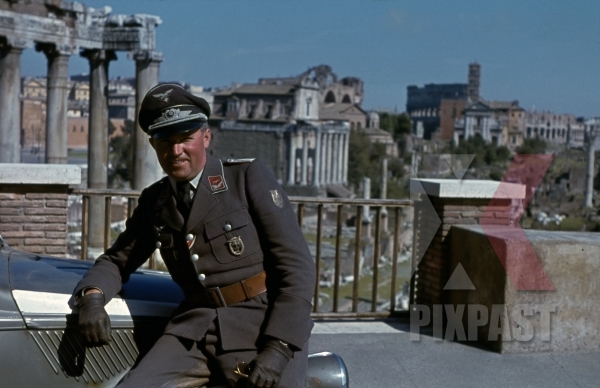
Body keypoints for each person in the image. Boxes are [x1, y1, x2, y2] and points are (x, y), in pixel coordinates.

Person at [71, 83, 315, 388]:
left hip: (260, 325)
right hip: (193, 329)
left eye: (186, 139)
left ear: (206, 137)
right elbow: (116, 261)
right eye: (165, 142)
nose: (176, 151)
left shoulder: (245, 178)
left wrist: (278, 349)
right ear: (153, 144)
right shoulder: (155, 201)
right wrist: (92, 299)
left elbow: (297, 268)